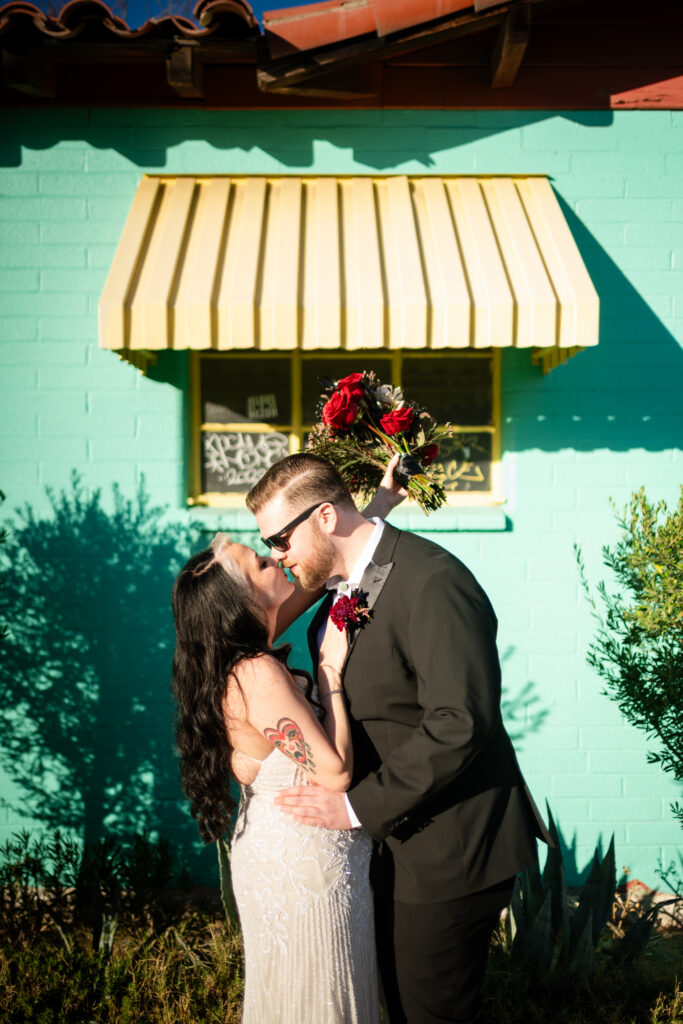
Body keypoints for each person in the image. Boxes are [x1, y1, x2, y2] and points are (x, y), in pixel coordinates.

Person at [246, 453, 553, 1024]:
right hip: (389, 847)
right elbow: (262, 624)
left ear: (325, 519)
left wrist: (356, 806)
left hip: (449, 850)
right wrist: (377, 506)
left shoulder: (433, 579)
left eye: (280, 541)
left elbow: (461, 719)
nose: (276, 557)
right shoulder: (345, 583)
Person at [170, 463, 405, 1024]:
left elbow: (323, 570)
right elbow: (335, 773)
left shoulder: (249, 643)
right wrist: (330, 672)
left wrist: (379, 505)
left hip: (294, 852)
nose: (276, 557)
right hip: (303, 868)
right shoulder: (256, 671)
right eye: (259, 562)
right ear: (242, 600)